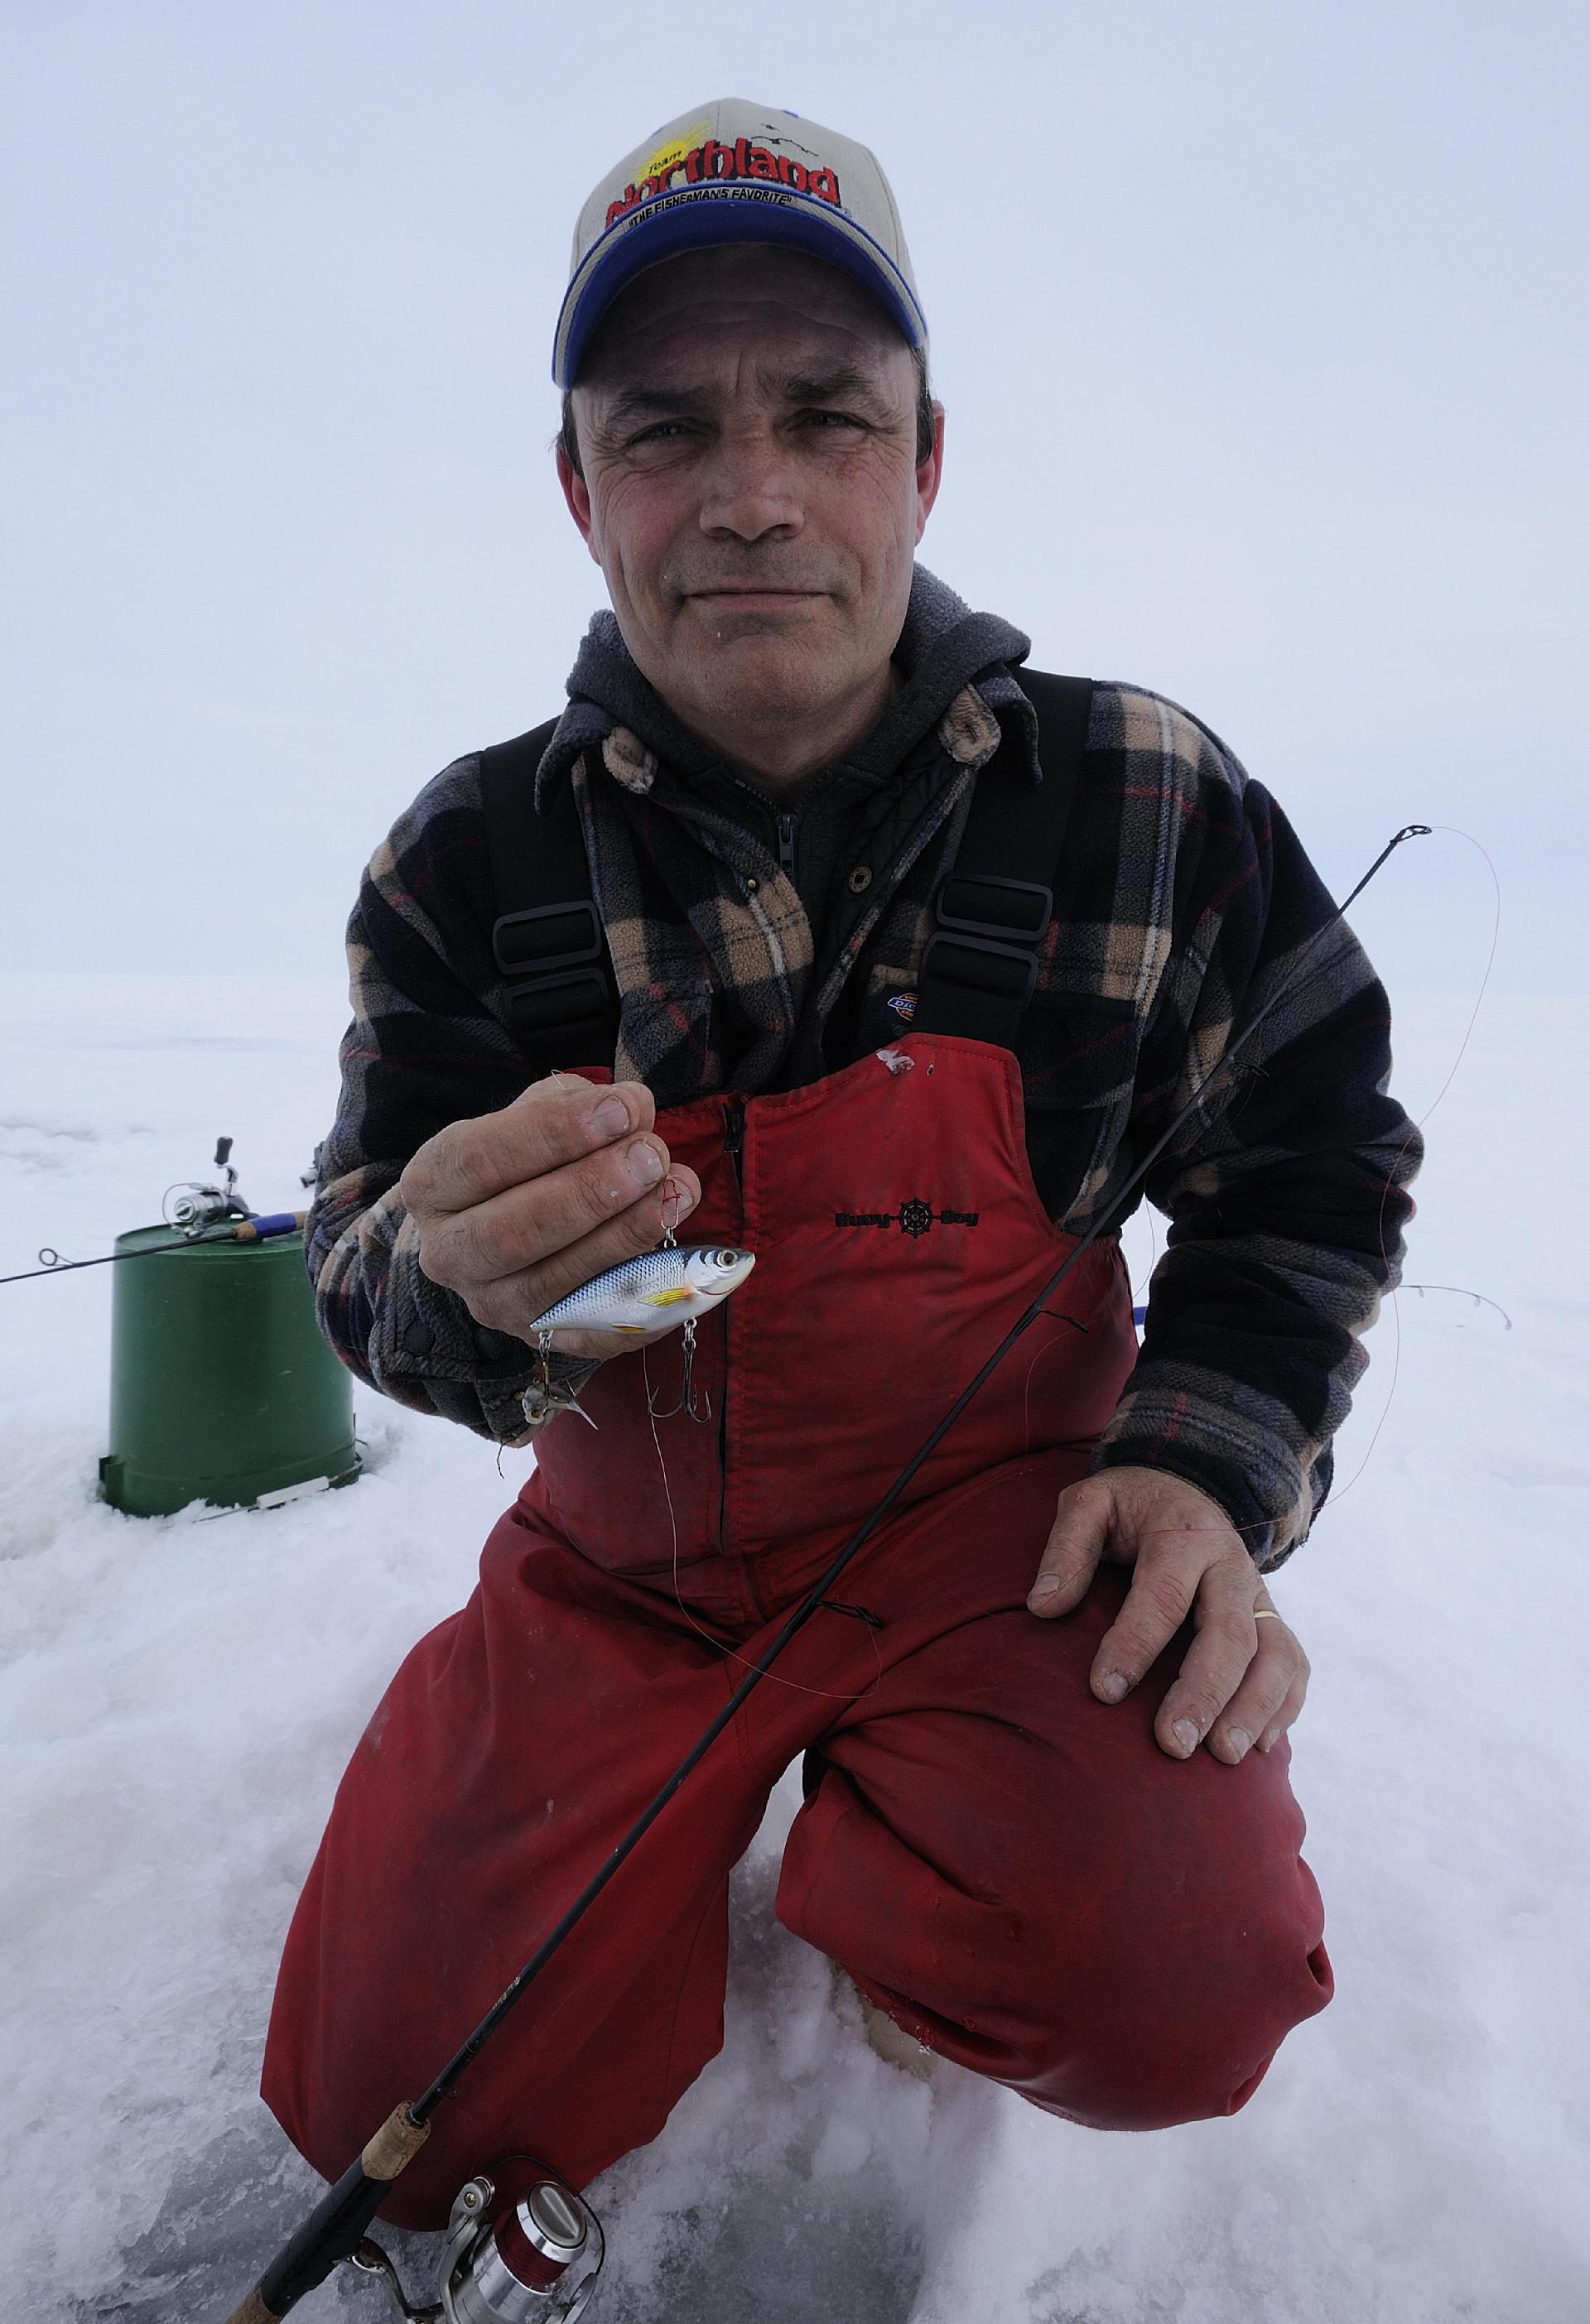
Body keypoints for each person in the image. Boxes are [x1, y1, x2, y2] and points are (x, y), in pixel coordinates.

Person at [261, 100, 1420, 2236]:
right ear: (578, 486)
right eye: (667, 430)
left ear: (927, 457)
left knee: (1176, 1991)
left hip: (1010, 1540)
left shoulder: (1145, 796)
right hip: (628, 1564)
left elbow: (1317, 1155)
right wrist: (444, 1276)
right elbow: (356, 1260)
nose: (754, 497)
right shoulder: (465, 862)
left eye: (825, 414)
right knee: (383, 2102)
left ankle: (923, 1886)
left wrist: (1206, 1457)